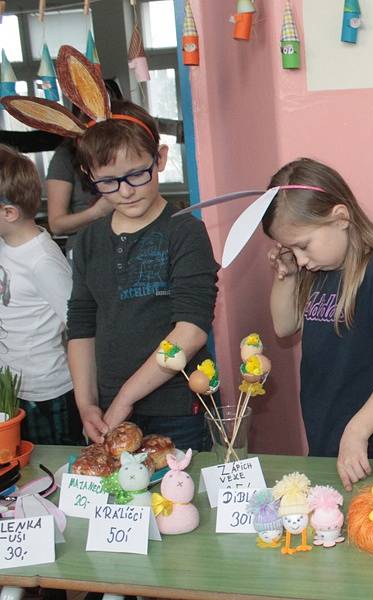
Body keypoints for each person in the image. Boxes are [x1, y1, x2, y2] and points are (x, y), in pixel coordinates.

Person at [68, 100, 219, 450]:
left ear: (160, 159)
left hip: (178, 407)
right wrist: (86, 402)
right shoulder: (89, 239)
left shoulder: (185, 232)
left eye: (137, 174)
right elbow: (81, 325)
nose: (125, 190)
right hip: (107, 409)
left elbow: (190, 332)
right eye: (108, 182)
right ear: (90, 176)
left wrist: (125, 398)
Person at [264, 158, 373, 490]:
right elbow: (283, 326)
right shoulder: (314, 270)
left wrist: (358, 430)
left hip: (370, 446)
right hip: (324, 438)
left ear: (340, 218)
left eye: (303, 245)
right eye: (290, 249)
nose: (301, 258)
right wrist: (287, 275)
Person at [0, 144, 81, 445]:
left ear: (9, 212)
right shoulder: (6, 245)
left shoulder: (43, 260)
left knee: (51, 467)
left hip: (49, 393)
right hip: (13, 388)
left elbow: (77, 324)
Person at [46, 80, 124, 262]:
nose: (100, 117)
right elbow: (56, 225)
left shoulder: (126, 150)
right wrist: (97, 212)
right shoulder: (65, 156)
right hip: (90, 251)